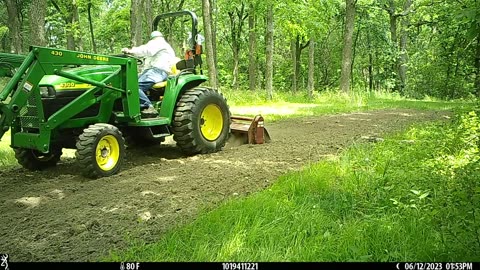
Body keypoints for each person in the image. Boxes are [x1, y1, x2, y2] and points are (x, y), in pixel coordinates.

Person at [122, 31, 178, 118]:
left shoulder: (159, 43)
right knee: (126, 83)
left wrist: (130, 51)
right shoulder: (160, 46)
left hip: (159, 71)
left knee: (133, 87)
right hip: (152, 71)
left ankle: (148, 107)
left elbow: (146, 50)